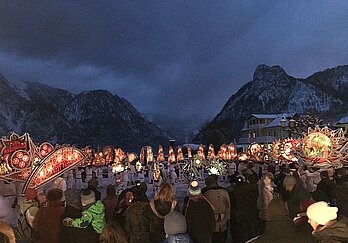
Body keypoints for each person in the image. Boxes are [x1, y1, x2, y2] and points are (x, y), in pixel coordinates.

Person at [203, 175, 231, 243]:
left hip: (211, 224)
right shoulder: (224, 191)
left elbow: (205, 210)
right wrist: (227, 219)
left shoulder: (205, 193)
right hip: (223, 223)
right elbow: (228, 206)